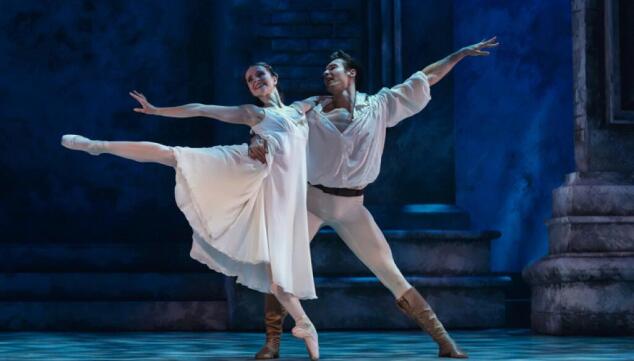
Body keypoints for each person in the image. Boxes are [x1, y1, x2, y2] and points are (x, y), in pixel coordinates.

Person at [249, 37, 499, 359]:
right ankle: (272, 343)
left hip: (352, 207)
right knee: (281, 267)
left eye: (333, 67)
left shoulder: (380, 105)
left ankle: (444, 341)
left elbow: (424, 78)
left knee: (389, 271)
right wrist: (256, 140)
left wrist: (459, 54)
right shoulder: (311, 110)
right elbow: (274, 121)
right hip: (311, 201)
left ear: (351, 73)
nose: (327, 72)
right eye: (325, 69)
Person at [61, 63, 320, 360]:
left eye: (260, 75)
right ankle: (99, 145)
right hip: (251, 174)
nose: (255, 81)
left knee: (279, 278)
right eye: (249, 79)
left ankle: (305, 326)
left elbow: (328, 101)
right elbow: (201, 108)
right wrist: (158, 110)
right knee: (175, 156)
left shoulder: (302, 108)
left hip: (286, 200)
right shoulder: (255, 113)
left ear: (275, 78)